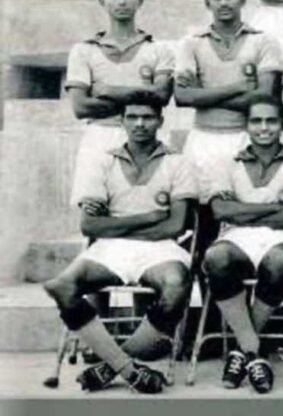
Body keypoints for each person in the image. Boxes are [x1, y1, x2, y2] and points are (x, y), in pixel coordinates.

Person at [43, 95, 196, 394]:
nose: (140, 123)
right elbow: (88, 225)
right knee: (62, 285)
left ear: (160, 121)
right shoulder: (102, 160)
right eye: (132, 117)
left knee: (177, 283)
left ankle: (112, 364)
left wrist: (117, 225)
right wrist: (151, 216)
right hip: (110, 249)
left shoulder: (178, 162)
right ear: (122, 120)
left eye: (148, 117)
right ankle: (126, 368)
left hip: (160, 248)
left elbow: (176, 226)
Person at [202, 95, 283, 394]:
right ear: (247, 124)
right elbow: (220, 211)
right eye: (256, 121)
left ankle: (241, 352)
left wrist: (244, 209)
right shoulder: (226, 162)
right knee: (216, 257)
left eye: (270, 121)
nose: (263, 128)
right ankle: (252, 351)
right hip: (236, 237)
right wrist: (275, 210)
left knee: (278, 261)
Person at [174, 0, 283, 208]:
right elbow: (182, 96)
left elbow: (263, 97)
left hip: (246, 138)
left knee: (243, 208)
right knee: (200, 214)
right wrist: (239, 87)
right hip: (202, 140)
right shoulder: (191, 43)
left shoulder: (264, 41)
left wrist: (202, 95)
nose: (223, 3)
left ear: (242, 0)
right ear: (207, 2)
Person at [65, 0, 174, 208]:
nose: (122, 1)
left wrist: (108, 91)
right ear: (102, 1)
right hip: (99, 138)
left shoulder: (159, 50)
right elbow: (81, 107)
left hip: (146, 137)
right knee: (95, 208)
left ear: (140, 1)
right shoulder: (84, 51)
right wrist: (141, 94)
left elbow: (162, 96)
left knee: (147, 204)